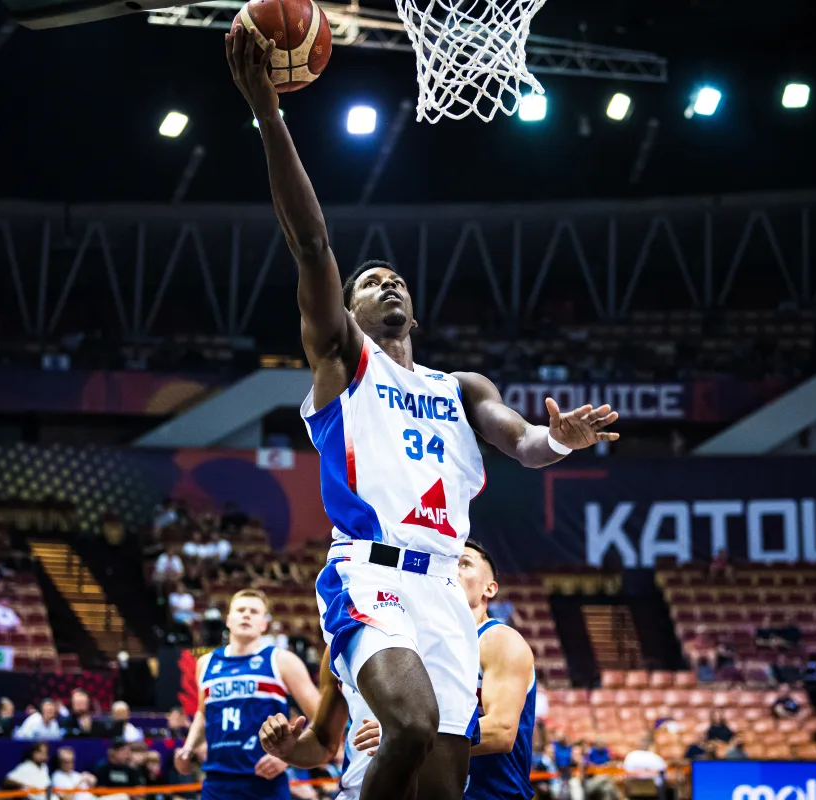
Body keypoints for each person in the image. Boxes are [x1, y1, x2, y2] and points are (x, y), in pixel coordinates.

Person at [225, 21, 620, 800]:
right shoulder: (344, 362)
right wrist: (269, 112)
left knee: (440, 784)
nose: (389, 286)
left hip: (443, 592)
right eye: (371, 282)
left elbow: (525, 444)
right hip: (368, 575)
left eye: (397, 279)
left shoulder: (462, 387)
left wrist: (559, 438)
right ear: (349, 309)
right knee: (403, 724)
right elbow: (309, 246)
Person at [260, 542, 537, 800]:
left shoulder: (497, 640)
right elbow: (323, 742)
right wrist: (290, 751)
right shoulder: (355, 640)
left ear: (489, 588)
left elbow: (502, 730)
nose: (451, 569)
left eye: (463, 563)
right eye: (446, 561)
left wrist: (405, 733)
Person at [174, 589, 321, 800]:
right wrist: (188, 748)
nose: (246, 615)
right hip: (216, 783)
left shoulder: (281, 660)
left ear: (264, 623)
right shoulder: (206, 663)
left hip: (265, 783)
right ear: (228, 620)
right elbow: (203, 713)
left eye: (254, 611)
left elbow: (320, 715)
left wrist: (288, 757)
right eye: (240, 610)